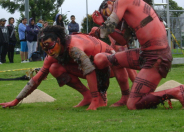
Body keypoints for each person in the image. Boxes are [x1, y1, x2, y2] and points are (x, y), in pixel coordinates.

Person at [92, 0, 184, 110]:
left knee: (133, 104)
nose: (108, 15)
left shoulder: (123, 0)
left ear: (110, 2)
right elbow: (123, 40)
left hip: (157, 58)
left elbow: (108, 28)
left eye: (107, 12)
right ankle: (125, 96)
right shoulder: (130, 11)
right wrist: (102, 26)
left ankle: (176, 92)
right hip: (145, 53)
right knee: (105, 59)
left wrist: (99, 28)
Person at [0, 26, 129, 110]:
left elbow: (89, 69)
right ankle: (87, 96)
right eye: (45, 49)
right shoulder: (53, 53)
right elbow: (37, 78)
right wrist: (16, 100)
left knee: (97, 61)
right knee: (54, 68)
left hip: (110, 66)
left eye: (50, 46)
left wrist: (96, 100)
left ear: (58, 41)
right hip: (92, 67)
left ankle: (109, 95)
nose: (49, 51)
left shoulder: (74, 48)